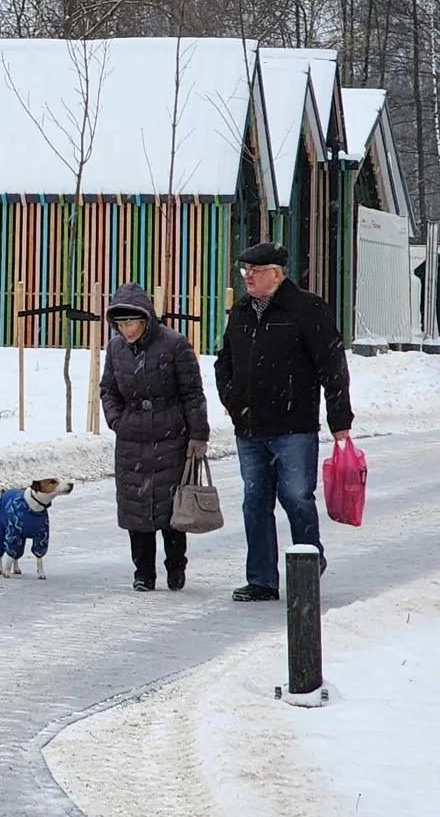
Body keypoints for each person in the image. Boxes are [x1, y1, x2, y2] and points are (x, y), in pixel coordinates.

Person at [215, 242, 355, 603]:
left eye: (255, 271)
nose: (247, 276)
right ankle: (261, 579)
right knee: (254, 501)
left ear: (277, 274)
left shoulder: (307, 309)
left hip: (294, 425)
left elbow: (332, 366)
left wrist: (339, 418)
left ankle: (307, 562)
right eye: (244, 270)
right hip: (249, 427)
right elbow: (224, 361)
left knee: (295, 496)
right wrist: (231, 399)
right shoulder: (242, 311)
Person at [98, 283, 208, 592]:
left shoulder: (175, 345)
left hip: (171, 435)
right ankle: (143, 572)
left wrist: (198, 434)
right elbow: (108, 389)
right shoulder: (116, 348)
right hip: (131, 437)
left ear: (147, 319)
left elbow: (192, 393)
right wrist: (117, 419)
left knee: (173, 508)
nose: (127, 330)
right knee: (137, 508)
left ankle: (176, 566)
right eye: (120, 324)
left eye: (131, 323)